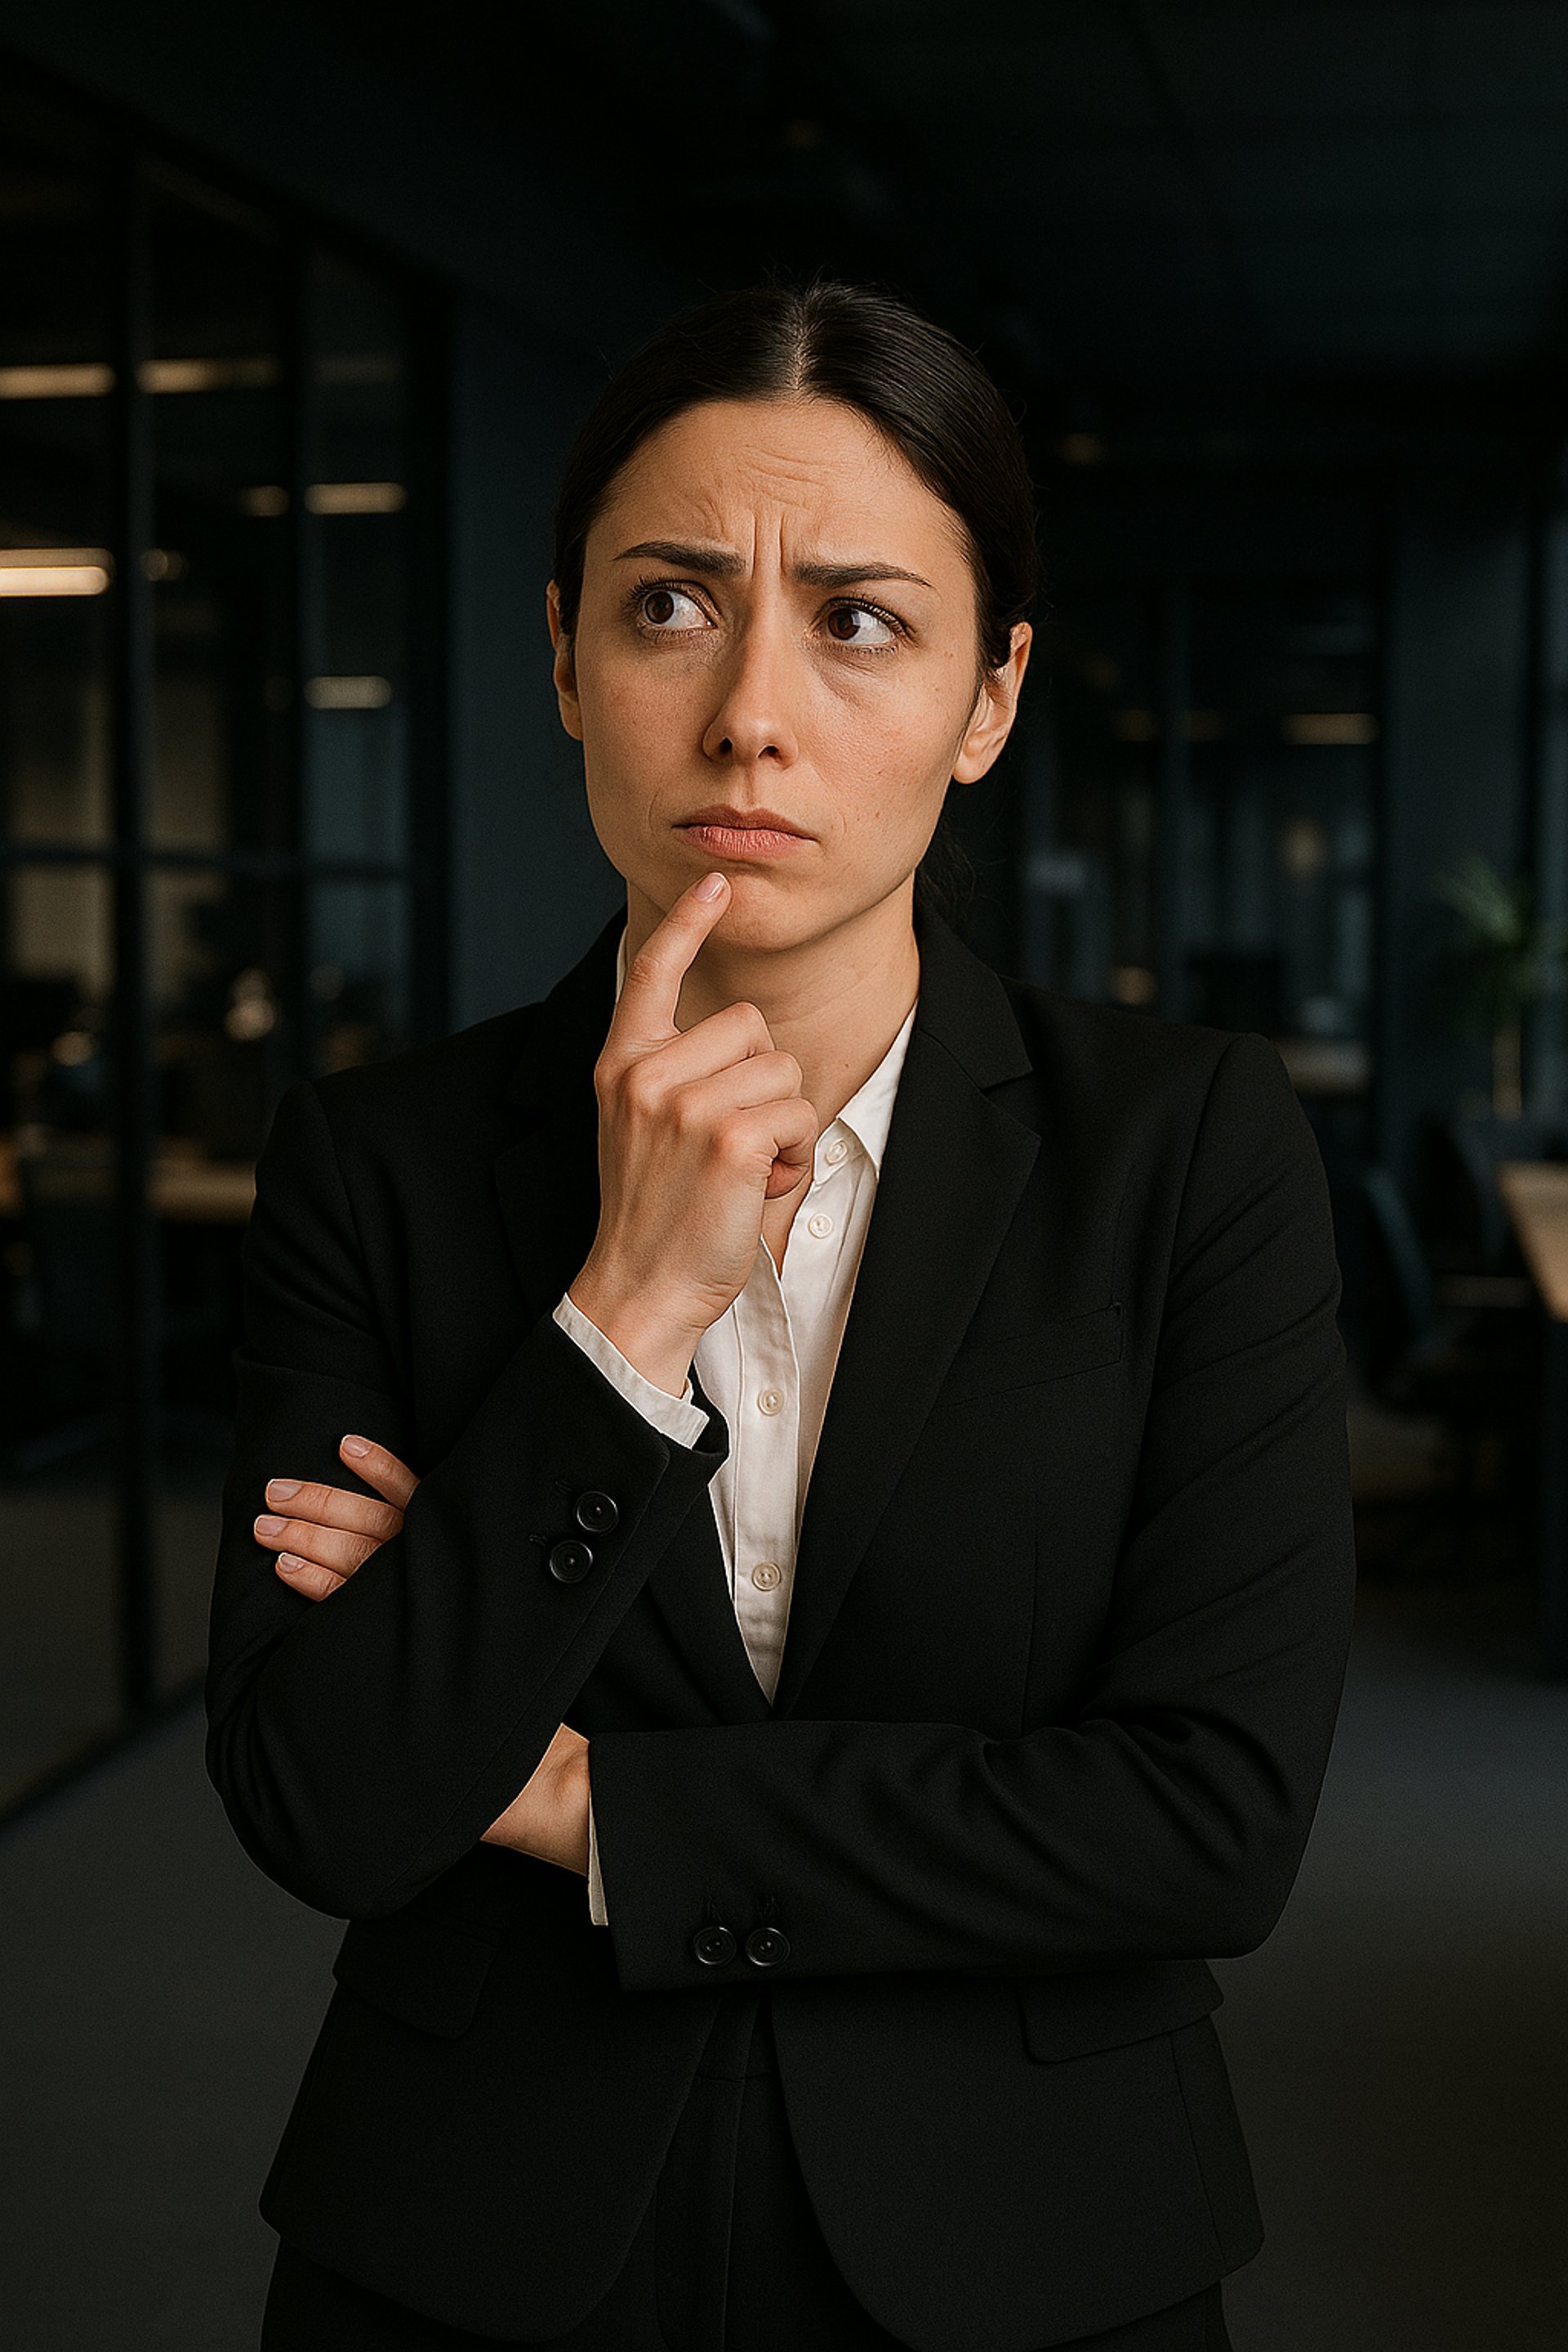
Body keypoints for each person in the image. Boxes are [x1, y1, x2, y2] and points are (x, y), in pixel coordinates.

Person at [205, 274, 1356, 2351]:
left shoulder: (1187, 1154)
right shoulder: (373, 1162)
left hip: (1031, 2245)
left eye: (857, 618)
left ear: (988, 699)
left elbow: (1207, 1823)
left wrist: (582, 1805)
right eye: (666, 606)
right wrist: (618, 1320)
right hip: (473, 2246)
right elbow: (331, 1800)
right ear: (560, 654)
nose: (751, 709)